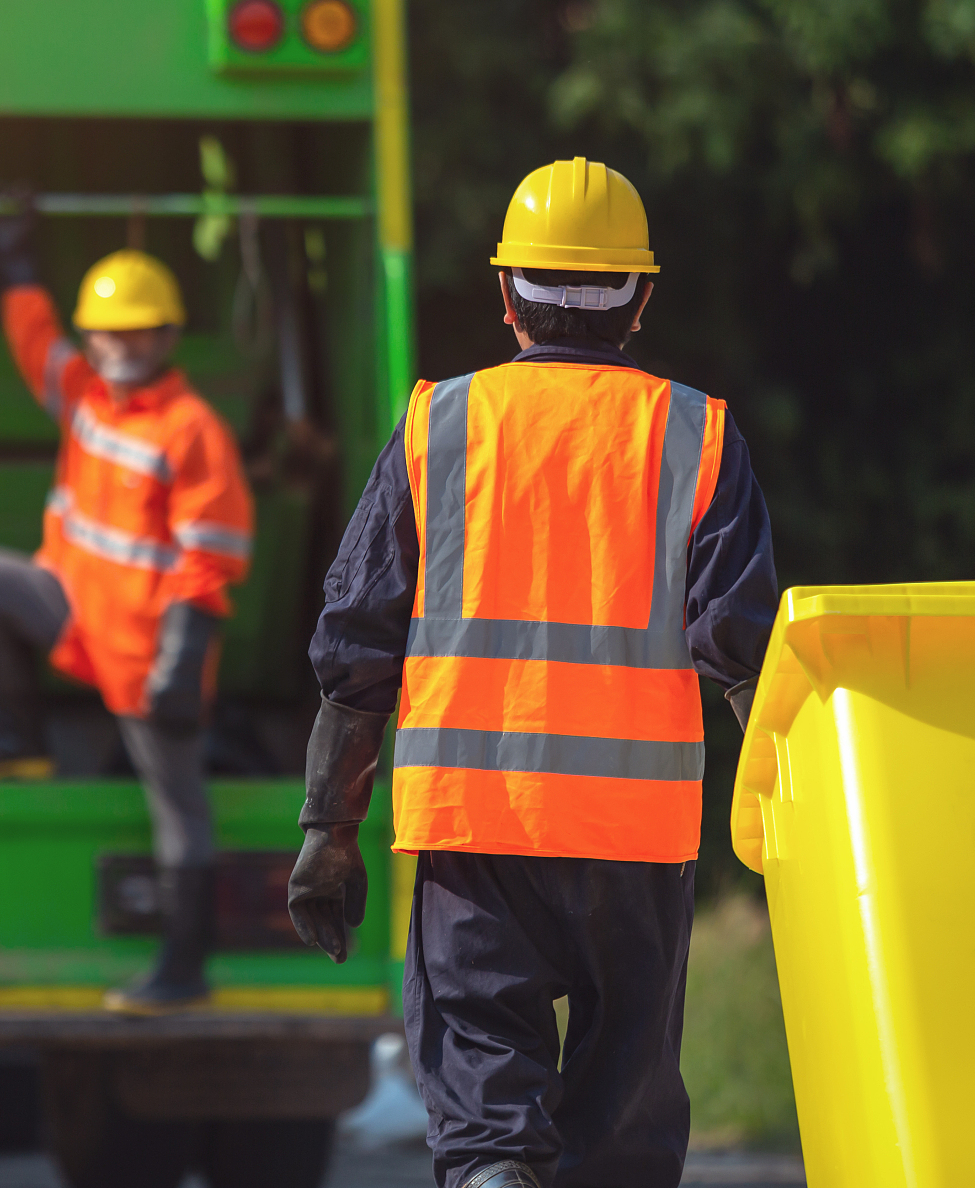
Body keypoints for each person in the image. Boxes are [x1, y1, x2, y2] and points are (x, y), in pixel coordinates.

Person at [284, 159, 779, 1188]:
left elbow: (356, 646)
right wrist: (798, 817)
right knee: (620, 1136)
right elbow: (741, 652)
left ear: (504, 296)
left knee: (485, 1120)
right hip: (635, 841)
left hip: (475, 832)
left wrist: (327, 833)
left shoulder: (438, 428)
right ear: (640, 301)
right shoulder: (695, 435)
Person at [0, 190, 255, 1014]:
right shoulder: (84, 397)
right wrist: (15, 267)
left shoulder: (190, 429)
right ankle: (16, 738)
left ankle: (183, 968)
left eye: (139, 331)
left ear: (169, 337)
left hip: (149, 652)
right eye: (109, 331)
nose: (121, 345)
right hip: (72, 610)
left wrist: (185, 663)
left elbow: (212, 556)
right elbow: (34, 342)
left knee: (178, 806)